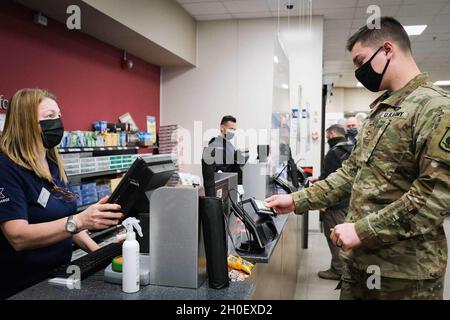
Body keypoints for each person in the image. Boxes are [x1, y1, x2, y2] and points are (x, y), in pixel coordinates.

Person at [265, 17, 450, 300]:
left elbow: (435, 196)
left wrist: (363, 231)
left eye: (361, 61)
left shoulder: (435, 108)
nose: (359, 72)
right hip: (360, 264)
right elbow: (351, 173)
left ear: (388, 49)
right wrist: (296, 200)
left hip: (403, 275)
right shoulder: (383, 110)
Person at [0, 89, 123, 299]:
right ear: (25, 122)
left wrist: (101, 255)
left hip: (60, 275)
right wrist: (79, 220)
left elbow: (69, 223)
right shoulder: (6, 167)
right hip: (23, 285)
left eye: (58, 115)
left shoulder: (53, 163)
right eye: (49, 117)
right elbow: (17, 236)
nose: (57, 122)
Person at [315, 124, 353, 280]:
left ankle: (337, 270)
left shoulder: (333, 152)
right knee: (343, 237)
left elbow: (329, 180)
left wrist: (322, 203)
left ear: (331, 134)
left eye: (326, 135)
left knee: (333, 236)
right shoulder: (352, 148)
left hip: (335, 204)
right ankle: (341, 267)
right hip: (349, 201)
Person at [208, 115, 242, 183]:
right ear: (222, 128)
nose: (232, 131)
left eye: (234, 130)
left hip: (232, 184)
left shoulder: (231, 146)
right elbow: (218, 172)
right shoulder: (215, 145)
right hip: (222, 186)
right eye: (231, 128)